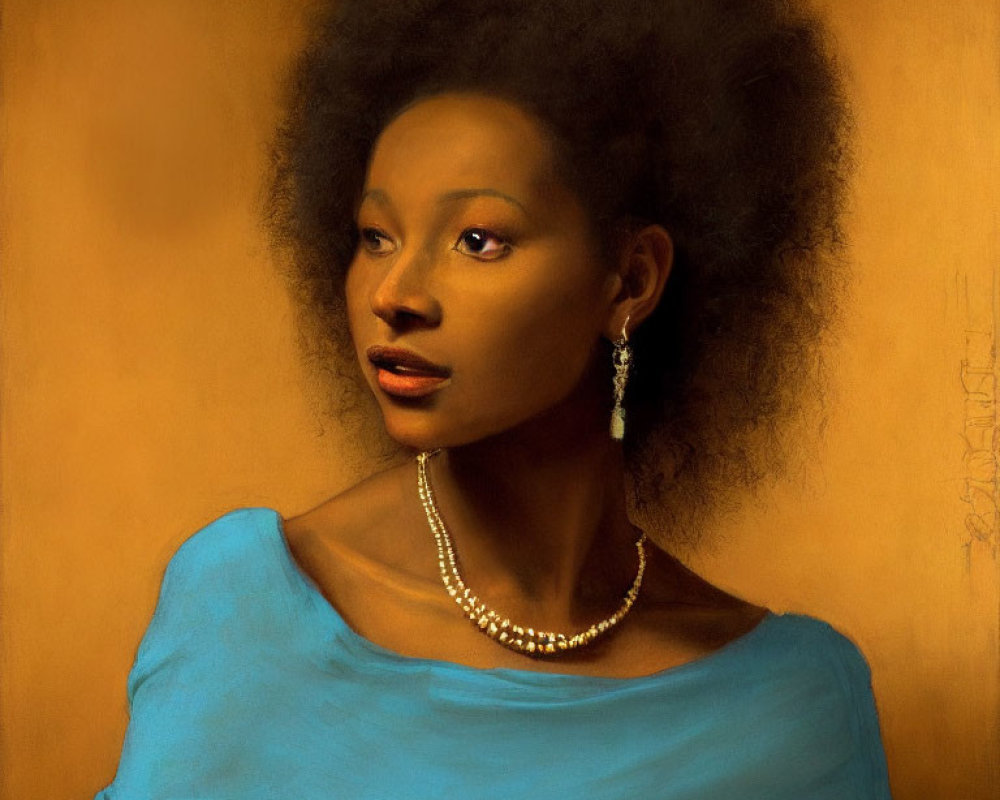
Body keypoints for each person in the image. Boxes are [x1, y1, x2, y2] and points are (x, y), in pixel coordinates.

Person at [96, 0, 892, 797]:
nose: (395, 295)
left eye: (478, 240)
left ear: (632, 278)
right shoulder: (246, 610)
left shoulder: (795, 707)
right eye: (376, 237)